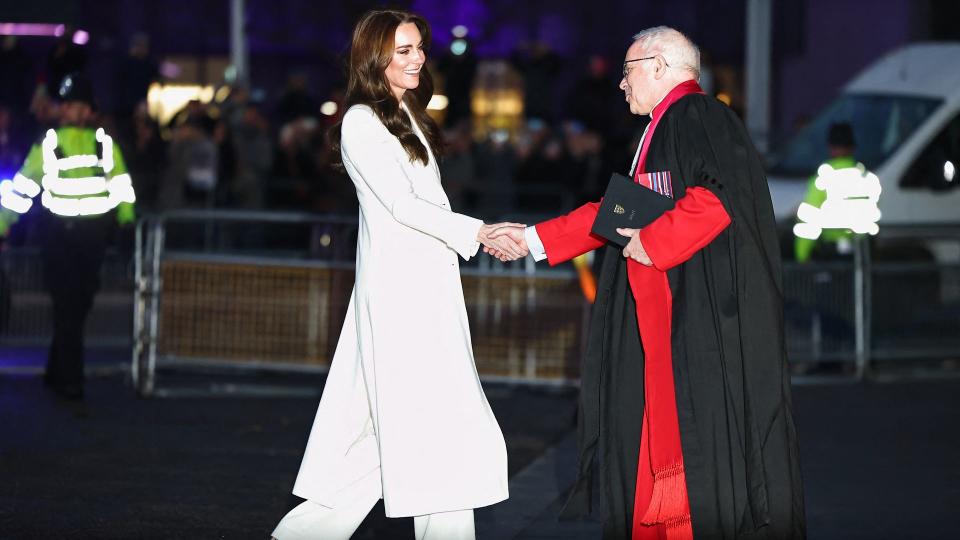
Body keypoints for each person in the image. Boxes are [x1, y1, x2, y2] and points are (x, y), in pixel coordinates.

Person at [488, 26, 805, 539]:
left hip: (694, 325)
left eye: (628, 69)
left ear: (659, 65)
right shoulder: (662, 128)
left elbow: (719, 198)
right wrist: (534, 239)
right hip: (663, 327)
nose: (621, 83)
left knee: (691, 455)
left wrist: (654, 243)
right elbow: (618, 213)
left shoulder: (699, 115)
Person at [270, 10, 527, 540]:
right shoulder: (362, 122)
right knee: (429, 433)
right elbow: (403, 206)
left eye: (418, 49)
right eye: (403, 51)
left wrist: (471, 236)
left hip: (421, 293)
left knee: (389, 443)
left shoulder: (405, 115)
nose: (417, 59)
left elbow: (421, 206)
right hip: (401, 301)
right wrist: (477, 232)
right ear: (375, 58)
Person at [0, 72, 136, 400]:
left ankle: (55, 370)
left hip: (91, 237)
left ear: (90, 110)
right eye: (67, 105)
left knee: (80, 302)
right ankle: (71, 380)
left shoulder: (104, 145)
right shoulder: (48, 143)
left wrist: (128, 223)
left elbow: (120, 184)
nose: (70, 111)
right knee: (67, 305)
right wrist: (2, 225)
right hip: (58, 235)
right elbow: (24, 186)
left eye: (77, 105)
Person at [794, 122, 857, 263]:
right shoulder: (864, 176)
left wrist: (802, 256)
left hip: (830, 255)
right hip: (861, 254)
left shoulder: (824, 178)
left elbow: (809, 219)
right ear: (852, 148)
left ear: (830, 148)